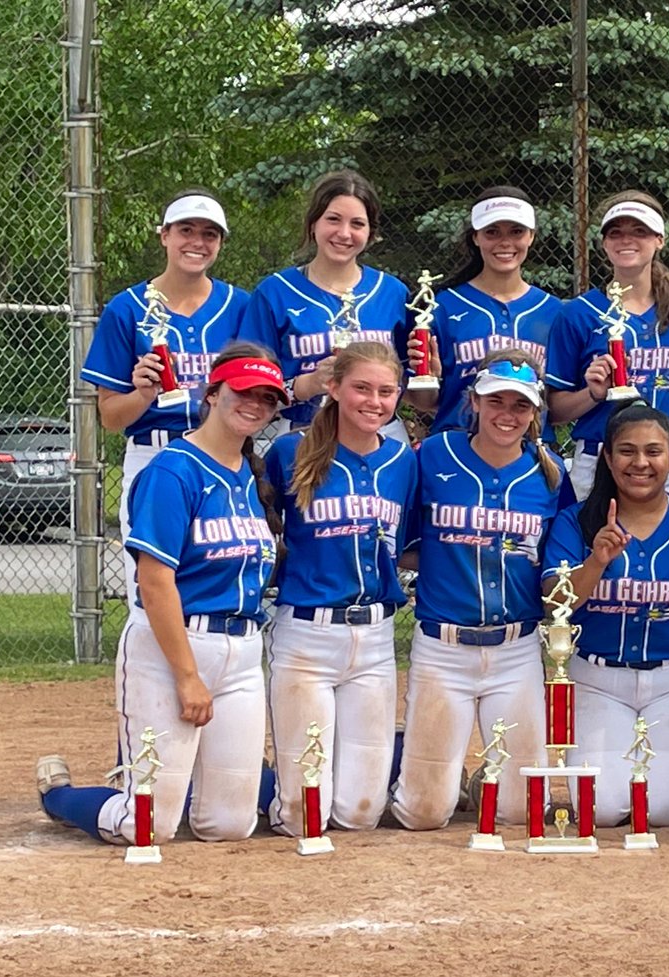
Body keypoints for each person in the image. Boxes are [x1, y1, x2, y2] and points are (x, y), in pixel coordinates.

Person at [37, 343, 288, 846]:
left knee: (230, 824)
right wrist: (188, 676)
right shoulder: (173, 471)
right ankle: (58, 797)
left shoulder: (250, 475)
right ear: (213, 393)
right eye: (243, 391)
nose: (256, 404)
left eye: (268, 397)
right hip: (171, 647)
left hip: (240, 652)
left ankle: (186, 776)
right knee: (145, 825)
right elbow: (154, 582)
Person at [391, 350, 572, 830]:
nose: (506, 415)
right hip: (442, 648)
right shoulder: (433, 456)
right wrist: (445, 557)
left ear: (536, 412)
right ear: (473, 401)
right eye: (496, 402)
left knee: (518, 812)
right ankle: (395, 765)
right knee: (422, 815)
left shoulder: (550, 471)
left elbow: (556, 559)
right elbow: (402, 541)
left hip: (516, 650)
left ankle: (476, 782)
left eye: (520, 405)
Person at [541, 403, 669, 826]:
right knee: (601, 811)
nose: (640, 463)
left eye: (653, 451)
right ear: (607, 457)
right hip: (597, 677)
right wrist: (597, 561)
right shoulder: (578, 521)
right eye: (626, 451)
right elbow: (556, 604)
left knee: (665, 812)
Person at [262, 342, 418, 836]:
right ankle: (254, 785)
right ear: (333, 388)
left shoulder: (401, 461)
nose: (374, 401)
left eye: (386, 392)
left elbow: (408, 542)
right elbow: (264, 527)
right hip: (307, 634)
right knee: (305, 817)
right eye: (361, 388)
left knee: (358, 814)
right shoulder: (291, 451)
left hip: (374, 640)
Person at [80, 189, 248, 607]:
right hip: (153, 456)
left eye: (209, 234)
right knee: (153, 589)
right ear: (164, 236)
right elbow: (110, 418)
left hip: (223, 458)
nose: (197, 242)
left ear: (221, 243)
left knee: (225, 581)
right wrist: (141, 393)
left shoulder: (240, 306)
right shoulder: (128, 308)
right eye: (186, 230)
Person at [546, 191, 669, 501]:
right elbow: (554, 411)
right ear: (604, 243)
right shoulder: (579, 313)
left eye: (639, 231)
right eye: (615, 233)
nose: (626, 240)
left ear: (659, 239)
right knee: (595, 546)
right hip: (599, 457)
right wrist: (593, 393)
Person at [238, 170, 410, 441]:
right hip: (298, 433)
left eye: (357, 223)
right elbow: (248, 386)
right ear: (313, 223)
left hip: (379, 436)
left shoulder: (392, 293)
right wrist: (307, 385)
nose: (344, 233)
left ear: (371, 232)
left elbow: (410, 381)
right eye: (333, 219)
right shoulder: (276, 292)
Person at [404, 186, 561, 439]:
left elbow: (555, 401)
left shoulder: (553, 310)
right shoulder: (441, 305)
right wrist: (430, 378)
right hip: (456, 445)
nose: (505, 242)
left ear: (531, 235)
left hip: (530, 449)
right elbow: (425, 401)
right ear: (476, 237)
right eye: (492, 232)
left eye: (516, 231)